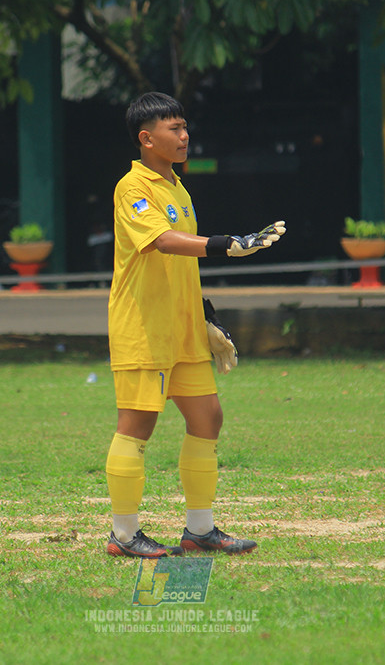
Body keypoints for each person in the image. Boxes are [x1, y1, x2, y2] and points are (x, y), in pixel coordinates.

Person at [105, 92, 285, 558]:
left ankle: (199, 530)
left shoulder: (177, 187)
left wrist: (204, 314)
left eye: (185, 127)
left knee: (208, 418)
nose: (185, 137)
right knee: (137, 425)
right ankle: (123, 536)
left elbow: (178, 263)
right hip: (143, 329)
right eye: (174, 128)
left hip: (183, 329)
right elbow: (162, 241)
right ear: (147, 138)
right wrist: (227, 244)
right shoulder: (133, 187)